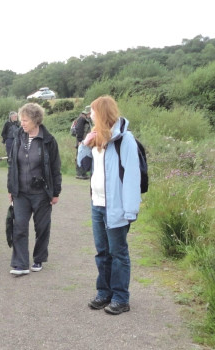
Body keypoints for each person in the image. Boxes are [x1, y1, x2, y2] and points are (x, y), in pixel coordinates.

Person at [77, 95, 141, 315]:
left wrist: (131, 209)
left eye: (93, 110)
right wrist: (84, 145)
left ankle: (121, 298)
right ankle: (104, 294)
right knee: (102, 252)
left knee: (118, 252)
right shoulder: (96, 137)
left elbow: (132, 176)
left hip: (117, 206)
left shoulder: (125, 139)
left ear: (101, 113)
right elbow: (83, 166)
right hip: (98, 204)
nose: (90, 114)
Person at [7, 103, 62, 275]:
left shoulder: (48, 140)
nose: (22, 123)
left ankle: (38, 259)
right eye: (21, 120)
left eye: (25, 120)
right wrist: (11, 188)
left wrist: (55, 192)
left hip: (41, 193)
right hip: (21, 192)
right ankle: (20, 264)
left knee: (42, 227)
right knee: (20, 226)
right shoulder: (18, 137)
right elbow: (12, 165)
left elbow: (55, 168)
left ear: (36, 120)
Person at [75, 105, 92, 179]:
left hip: (84, 141)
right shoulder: (82, 119)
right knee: (80, 157)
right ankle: (80, 173)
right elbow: (79, 130)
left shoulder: (85, 119)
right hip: (81, 141)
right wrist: (79, 140)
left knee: (83, 156)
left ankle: (82, 173)